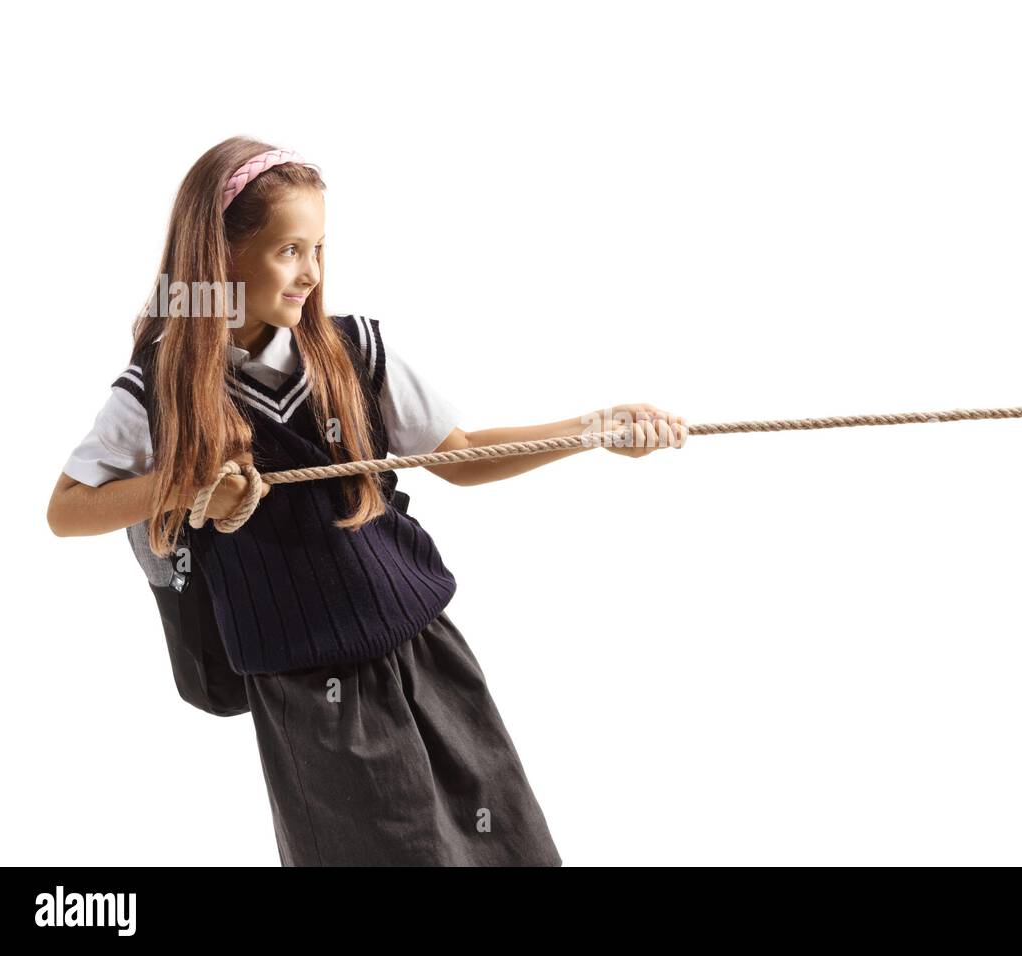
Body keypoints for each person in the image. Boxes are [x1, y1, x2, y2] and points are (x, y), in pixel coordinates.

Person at [46, 136, 687, 866]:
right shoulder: (160, 392)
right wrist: (187, 482)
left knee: (505, 844)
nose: (311, 273)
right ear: (221, 256)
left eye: (319, 249)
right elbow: (67, 509)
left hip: (425, 649)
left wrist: (590, 429)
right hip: (309, 688)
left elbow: (460, 454)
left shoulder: (351, 353)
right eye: (290, 250)